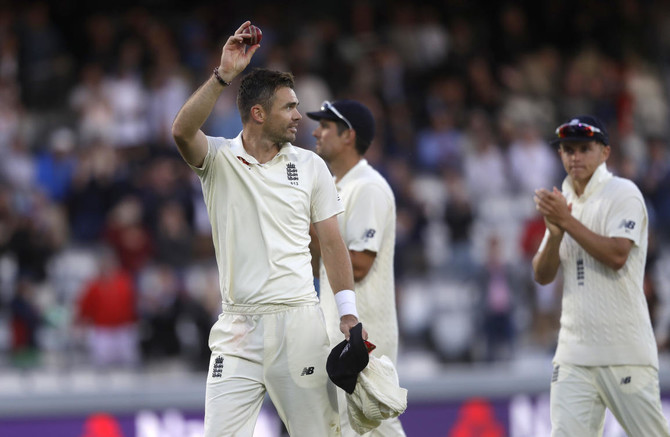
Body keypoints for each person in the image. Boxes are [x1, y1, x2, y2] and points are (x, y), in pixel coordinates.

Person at [171, 21, 363, 437]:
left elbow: (331, 244)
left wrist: (349, 316)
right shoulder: (219, 160)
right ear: (258, 114)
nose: (299, 116)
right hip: (237, 330)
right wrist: (223, 74)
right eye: (289, 108)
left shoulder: (311, 166)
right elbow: (182, 131)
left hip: (299, 324)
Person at [532, 115, 670, 437]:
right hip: (573, 354)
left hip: (624, 352)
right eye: (567, 149)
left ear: (605, 152)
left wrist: (565, 222)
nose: (574, 157)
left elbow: (617, 255)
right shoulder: (563, 203)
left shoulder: (623, 193)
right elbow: (542, 275)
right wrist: (554, 235)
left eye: (584, 148)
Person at [307, 99, 406, 436]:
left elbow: (360, 265)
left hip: (365, 332)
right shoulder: (339, 188)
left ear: (348, 135)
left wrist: (315, 231)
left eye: (325, 126)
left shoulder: (367, 188)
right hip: (345, 329)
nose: (316, 132)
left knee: (369, 424)